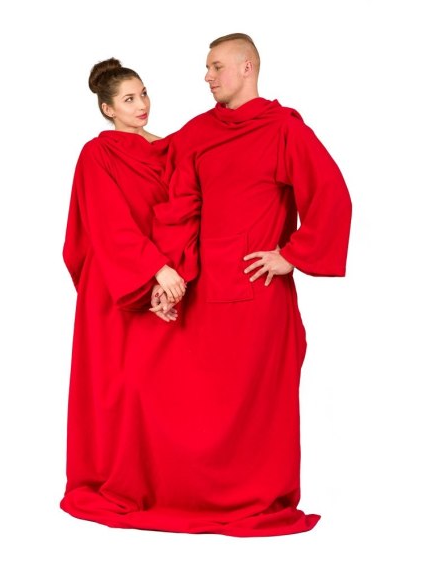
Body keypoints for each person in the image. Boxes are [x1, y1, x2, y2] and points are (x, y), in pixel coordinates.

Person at [149, 33, 352, 537]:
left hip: (258, 295)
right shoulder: (198, 132)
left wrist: (292, 255)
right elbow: (176, 200)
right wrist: (168, 278)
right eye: (206, 67)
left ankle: (258, 495)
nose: (207, 76)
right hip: (202, 293)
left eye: (216, 66)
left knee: (262, 404)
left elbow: (331, 195)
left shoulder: (282, 129)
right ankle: (196, 493)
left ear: (247, 67)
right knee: (195, 400)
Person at [60, 58, 186, 527]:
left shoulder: (171, 148)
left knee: (163, 389)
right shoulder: (98, 154)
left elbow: (182, 211)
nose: (142, 105)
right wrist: (155, 270)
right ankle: (116, 477)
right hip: (116, 284)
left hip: (167, 284)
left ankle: (164, 481)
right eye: (129, 99)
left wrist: (171, 275)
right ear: (108, 109)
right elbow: (108, 223)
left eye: (144, 93)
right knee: (120, 386)